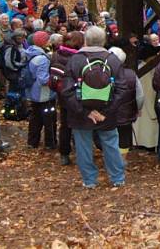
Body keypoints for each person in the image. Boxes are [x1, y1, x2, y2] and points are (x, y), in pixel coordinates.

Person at [61, 26, 126, 188]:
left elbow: (66, 90)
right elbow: (122, 88)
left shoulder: (75, 60)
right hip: (107, 112)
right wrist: (106, 112)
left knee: (83, 146)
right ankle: (117, 178)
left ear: (86, 41)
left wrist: (85, 112)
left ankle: (89, 180)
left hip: (80, 113)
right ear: (104, 41)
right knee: (111, 143)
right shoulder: (112, 60)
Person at [52, 30, 83, 166]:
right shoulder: (80, 58)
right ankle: (81, 152)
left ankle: (64, 154)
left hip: (62, 94)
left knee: (65, 125)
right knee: (80, 124)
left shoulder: (56, 55)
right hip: (77, 94)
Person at [107, 47, 142, 159]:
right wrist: (138, 109)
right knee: (124, 138)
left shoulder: (104, 73)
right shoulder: (131, 74)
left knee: (109, 137)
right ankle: (122, 160)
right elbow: (140, 95)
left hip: (108, 113)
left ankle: (111, 159)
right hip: (127, 113)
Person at [25, 31, 57, 150]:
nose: (49, 42)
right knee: (49, 119)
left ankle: (32, 142)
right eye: (47, 40)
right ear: (42, 42)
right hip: (44, 94)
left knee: (35, 118)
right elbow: (43, 79)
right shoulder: (43, 59)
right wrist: (55, 80)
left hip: (33, 93)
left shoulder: (30, 53)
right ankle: (50, 143)